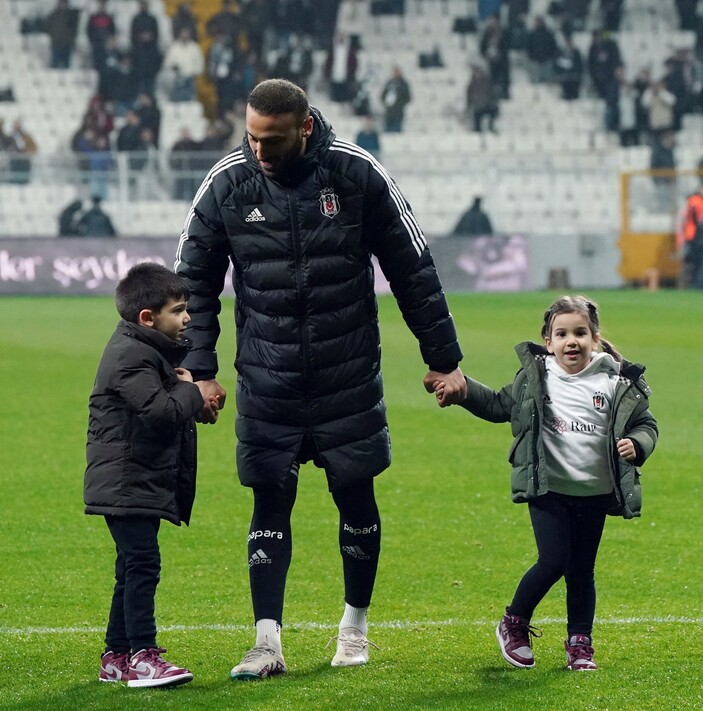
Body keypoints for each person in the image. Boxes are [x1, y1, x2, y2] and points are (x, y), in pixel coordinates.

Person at [173, 78, 466, 679]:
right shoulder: (228, 182)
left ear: (305, 128)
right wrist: (198, 370)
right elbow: (192, 280)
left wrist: (443, 356)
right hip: (267, 374)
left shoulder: (356, 175)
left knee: (356, 495)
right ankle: (266, 642)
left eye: (271, 140)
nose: (257, 151)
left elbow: (413, 267)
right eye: (251, 137)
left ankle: (354, 630)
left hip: (346, 372)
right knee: (268, 500)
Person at [431, 295, 658, 671]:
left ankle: (579, 644)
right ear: (548, 341)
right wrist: (463, 391)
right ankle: (514, 622)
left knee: (582, 571)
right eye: (562, 333)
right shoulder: (537, 378)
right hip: (549, 488)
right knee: (554, 561)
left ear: (596, 338)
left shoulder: (615, 381)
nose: (572, 341)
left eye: (581, 333)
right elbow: (498, 405)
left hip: (595, 493)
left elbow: (646, 425)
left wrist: (637, 444)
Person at [84, 263, 214, 688]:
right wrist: (193, 389)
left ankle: (115, 655)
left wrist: (185, 387)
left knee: (131, 565)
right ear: (147, 318)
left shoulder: (141, 348)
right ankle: (142, 655)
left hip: (132, 479)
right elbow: (160, 413)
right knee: (142, 564)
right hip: (126, 482)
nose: (187, 318)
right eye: (178, 311)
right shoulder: (130, 356)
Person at [380, 66, 412, 132]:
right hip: (389, 112)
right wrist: (386, 103)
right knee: (387, 132)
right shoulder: (389, 83)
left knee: (397, 132)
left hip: (398, 112)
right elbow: (383, 95)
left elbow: (408, 97)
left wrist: (399, 104)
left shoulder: (403, 84)